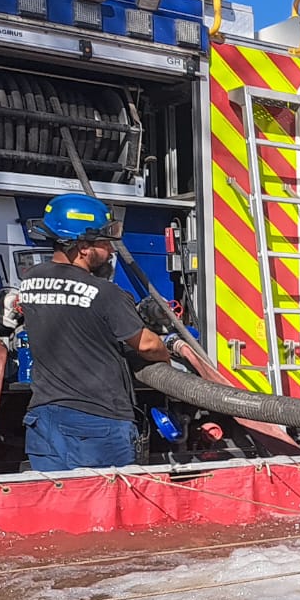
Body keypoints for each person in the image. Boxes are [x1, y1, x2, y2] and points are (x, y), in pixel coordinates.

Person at [18, 194, 178, 471]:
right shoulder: (106, 293)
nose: (112, 251)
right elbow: (148, 345)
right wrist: (166, 360)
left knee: (57, 503)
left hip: (44, 419)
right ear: (82, 247)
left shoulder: (31, 280)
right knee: (105, 506)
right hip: (97, 423)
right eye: (104, 243)